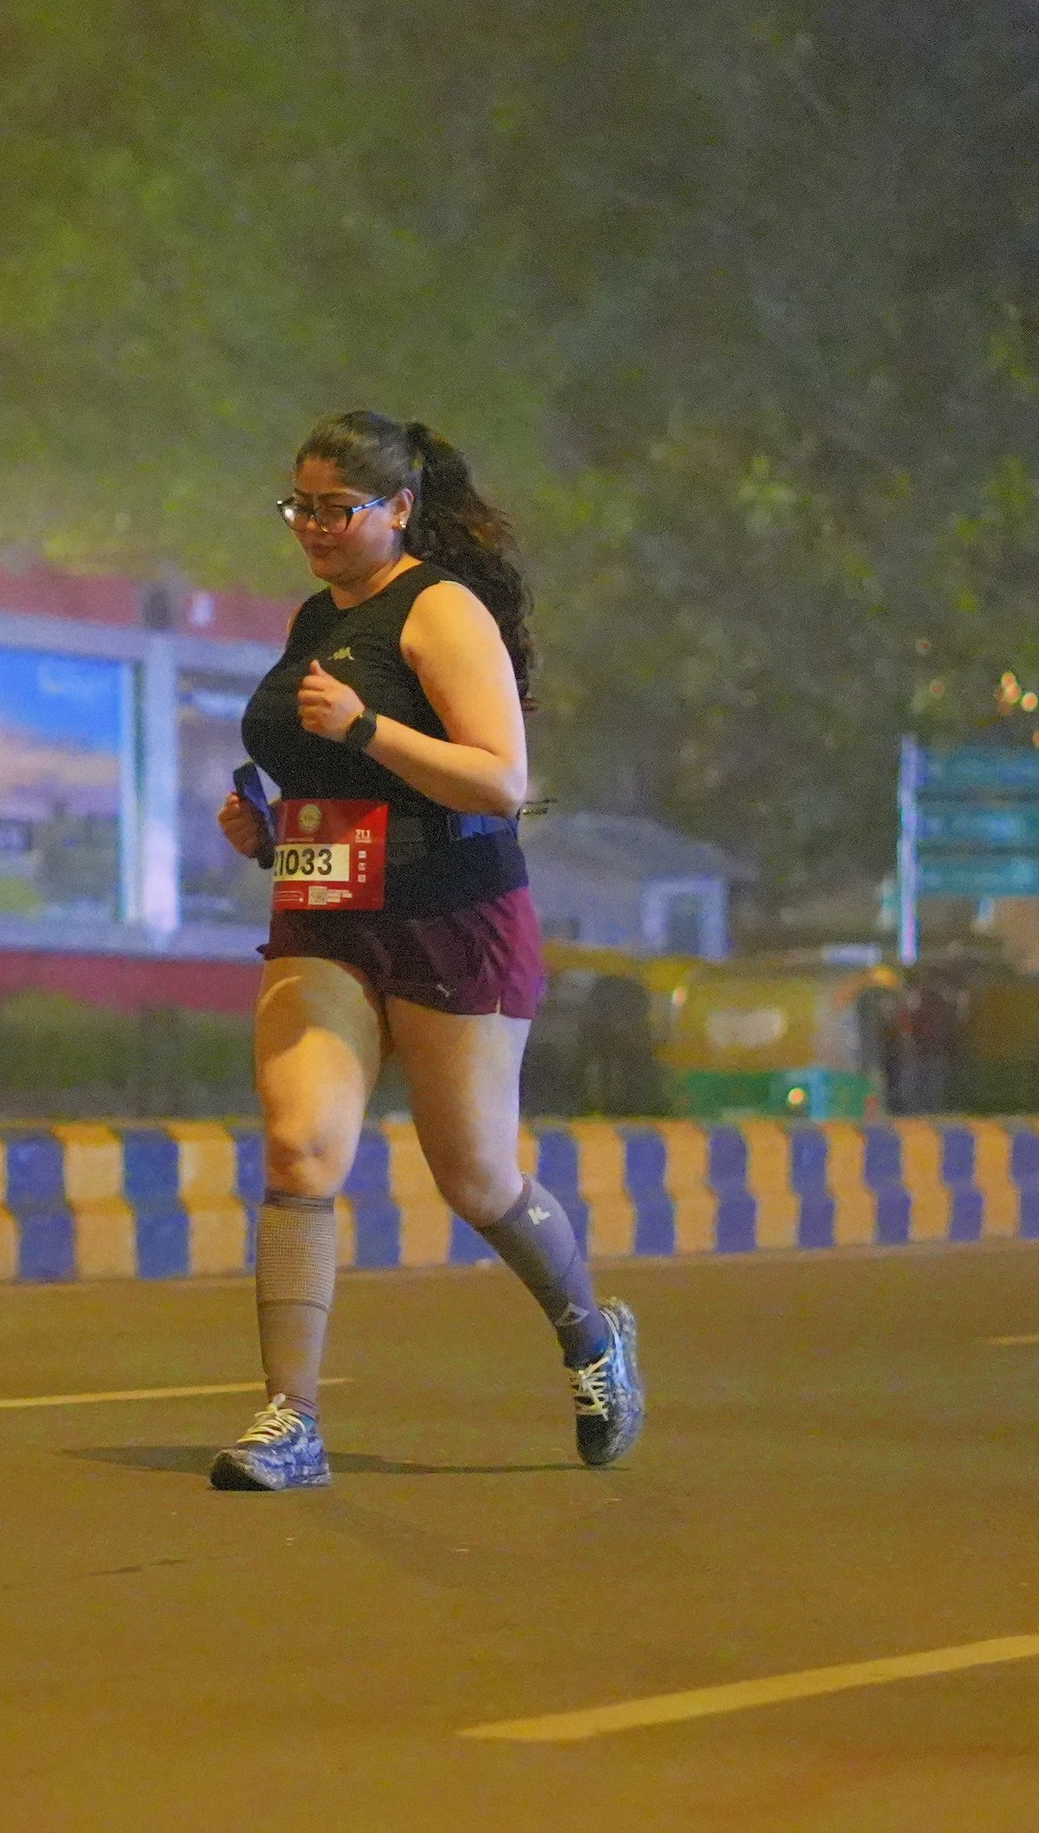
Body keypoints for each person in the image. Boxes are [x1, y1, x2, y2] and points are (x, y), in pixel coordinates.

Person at [207, 410, 645, 1491]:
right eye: (299, 506)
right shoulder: (316, 617)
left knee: (477, 1176)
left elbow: (499, 779)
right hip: (326, 910)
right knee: (300, 1148)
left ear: (398, 507)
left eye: (336, 508)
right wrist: (272, 830)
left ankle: (593, 1339)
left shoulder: (439, 609)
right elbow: (340, 785)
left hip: (453, 911)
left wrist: (364, 726)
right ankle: (289, 1417)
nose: (312, 527)